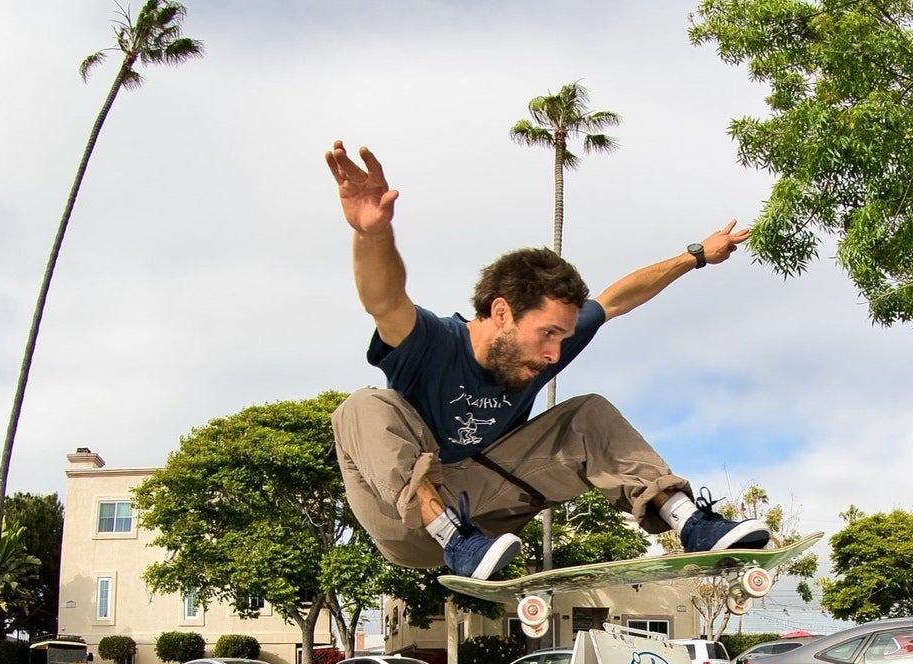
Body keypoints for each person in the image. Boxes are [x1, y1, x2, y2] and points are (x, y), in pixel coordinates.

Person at [324, 140, 771, 582]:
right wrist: (372, 233)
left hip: (485, 505)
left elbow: (616, 300)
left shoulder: (549, 346)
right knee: (363, 406)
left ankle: (689, 522)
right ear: (502, 312)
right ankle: (449, 533)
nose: (555, 353)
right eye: (547, 334)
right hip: (403, 519)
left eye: (562, 336)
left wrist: (696, 256)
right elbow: (384, 300)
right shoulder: (432, 342)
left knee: (588, 412)